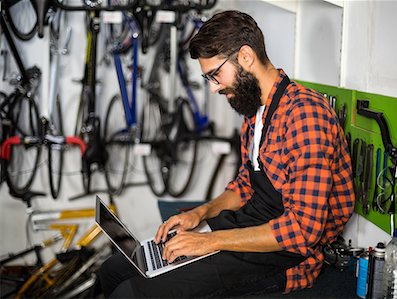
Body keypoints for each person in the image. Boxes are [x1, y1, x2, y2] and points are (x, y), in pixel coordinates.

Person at [99, 10, 354, 298]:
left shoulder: (305, 114)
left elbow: (302, 230)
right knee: (116, 269)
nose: (212, 87)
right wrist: (200, 213)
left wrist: (209, 242)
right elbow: (246, 186)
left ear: (245, 57)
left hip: (287, 256)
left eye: (215, 74)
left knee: (130, 293)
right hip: (251, 226)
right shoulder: (256, 111)